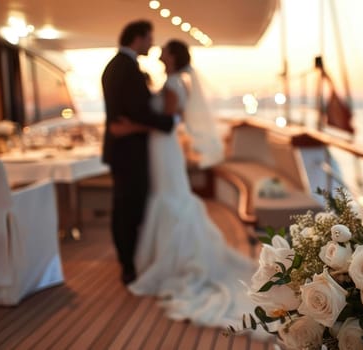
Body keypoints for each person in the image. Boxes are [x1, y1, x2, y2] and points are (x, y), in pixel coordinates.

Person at [109, 39, 256, 328]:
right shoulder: (171, 80)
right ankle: (163, 258)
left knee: (170, 198)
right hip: (159, 147)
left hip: (164, 146)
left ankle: (176, 262)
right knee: (165, 197)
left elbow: (169, 119)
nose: (159, 51)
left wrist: (129, 126)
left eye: (164, 50)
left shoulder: (176, 83)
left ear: (173, 56)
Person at [101, 20, 177, 285]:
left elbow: (133, 111)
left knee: (129, 208)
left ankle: (131, 260)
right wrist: (168, 123)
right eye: (149, 38)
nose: (152, 44)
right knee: (127, 210)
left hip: (126, 149)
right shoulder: (125, 67)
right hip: (127, 152)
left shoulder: (119, 65)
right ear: (138, 38)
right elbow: (138, 110)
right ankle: (128, 266)